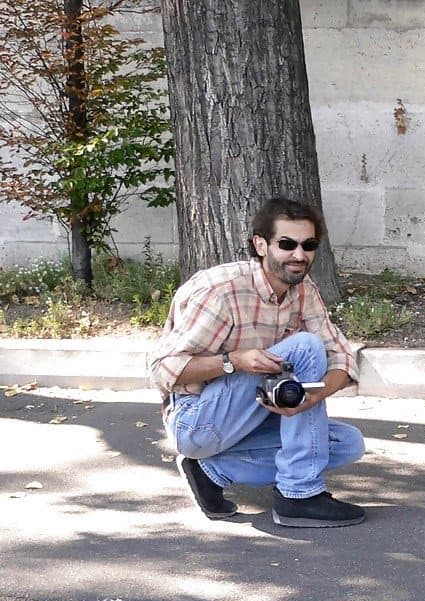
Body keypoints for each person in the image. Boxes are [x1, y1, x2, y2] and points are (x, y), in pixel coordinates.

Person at [149, 196, 367, 527]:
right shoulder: (222, 290)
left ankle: (211, 470)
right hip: (196, 420)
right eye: (287, 244)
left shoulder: (303, 289)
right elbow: (163, 369)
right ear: (261, 244)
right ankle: (299, 494)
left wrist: (314, 397)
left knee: (347, 443)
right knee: (306, 347)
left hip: (252, 413)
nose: (299, 255)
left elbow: (342, 356)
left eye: (308, 245)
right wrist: (234, 361)